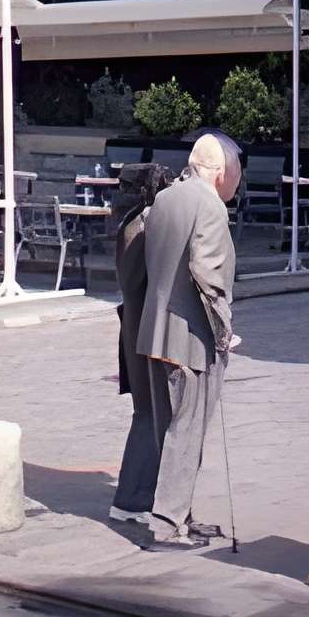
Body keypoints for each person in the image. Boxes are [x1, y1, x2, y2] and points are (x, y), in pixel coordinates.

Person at [131, 133, 241, 548]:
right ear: (221, 173)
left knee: (173, 429)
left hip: (156, 331)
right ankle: (168, 523)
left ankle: (180, 515)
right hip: (190, 336)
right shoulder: (209, 205)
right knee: (187, 431)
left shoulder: (165, 199)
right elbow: (207, 274)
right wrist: (223, 331)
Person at [108, 161, 171, 525]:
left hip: (135, 325)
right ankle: (133, 499)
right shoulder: (145, 224)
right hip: (145, 327)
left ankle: (139, 495)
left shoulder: (131, 221)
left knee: (148, 414)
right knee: (150, 414)